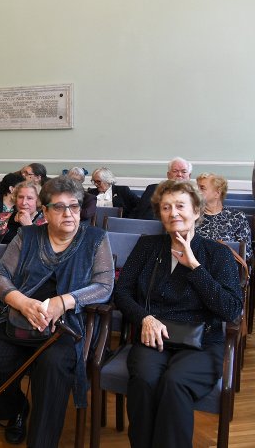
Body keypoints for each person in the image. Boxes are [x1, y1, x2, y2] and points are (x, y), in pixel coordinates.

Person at [0, 176, 114, 447]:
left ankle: (42, 442)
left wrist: (63, 302)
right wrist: (22, 302)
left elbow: (104, 286)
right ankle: (16, 411)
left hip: (66, 326)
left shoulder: (96, 238)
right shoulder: (27, 236)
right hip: (20, 316)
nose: (69, 214)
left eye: (74, 206)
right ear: (45, 211)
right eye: (59, 208)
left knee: (51, 368)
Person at [113, 180, 242, 448]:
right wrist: (145, 318)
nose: (173, 213)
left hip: (202, 343)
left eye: (180, 206)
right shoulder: (148, 247)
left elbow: (231, 309)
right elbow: (122, 292)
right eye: (166, 207)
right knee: (145, 381)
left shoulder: (217, 253)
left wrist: (195, 267)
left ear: (197, 210)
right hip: (154, 337)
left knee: (175, 383)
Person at [196, 173, 252, 261]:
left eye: (202, 188)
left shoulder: (237, 217)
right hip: (195, 266)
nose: (197, 191)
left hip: (228, 267)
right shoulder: (192, 216)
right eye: (197, 187)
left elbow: (246, 253)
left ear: (217, 193)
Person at [0, 180, 46, 244]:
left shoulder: (46, 224)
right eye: (20, 197)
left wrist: (28, 226)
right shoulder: (1, 218)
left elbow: (42, 251)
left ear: (38, 200)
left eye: (29, 198)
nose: (24, 202)